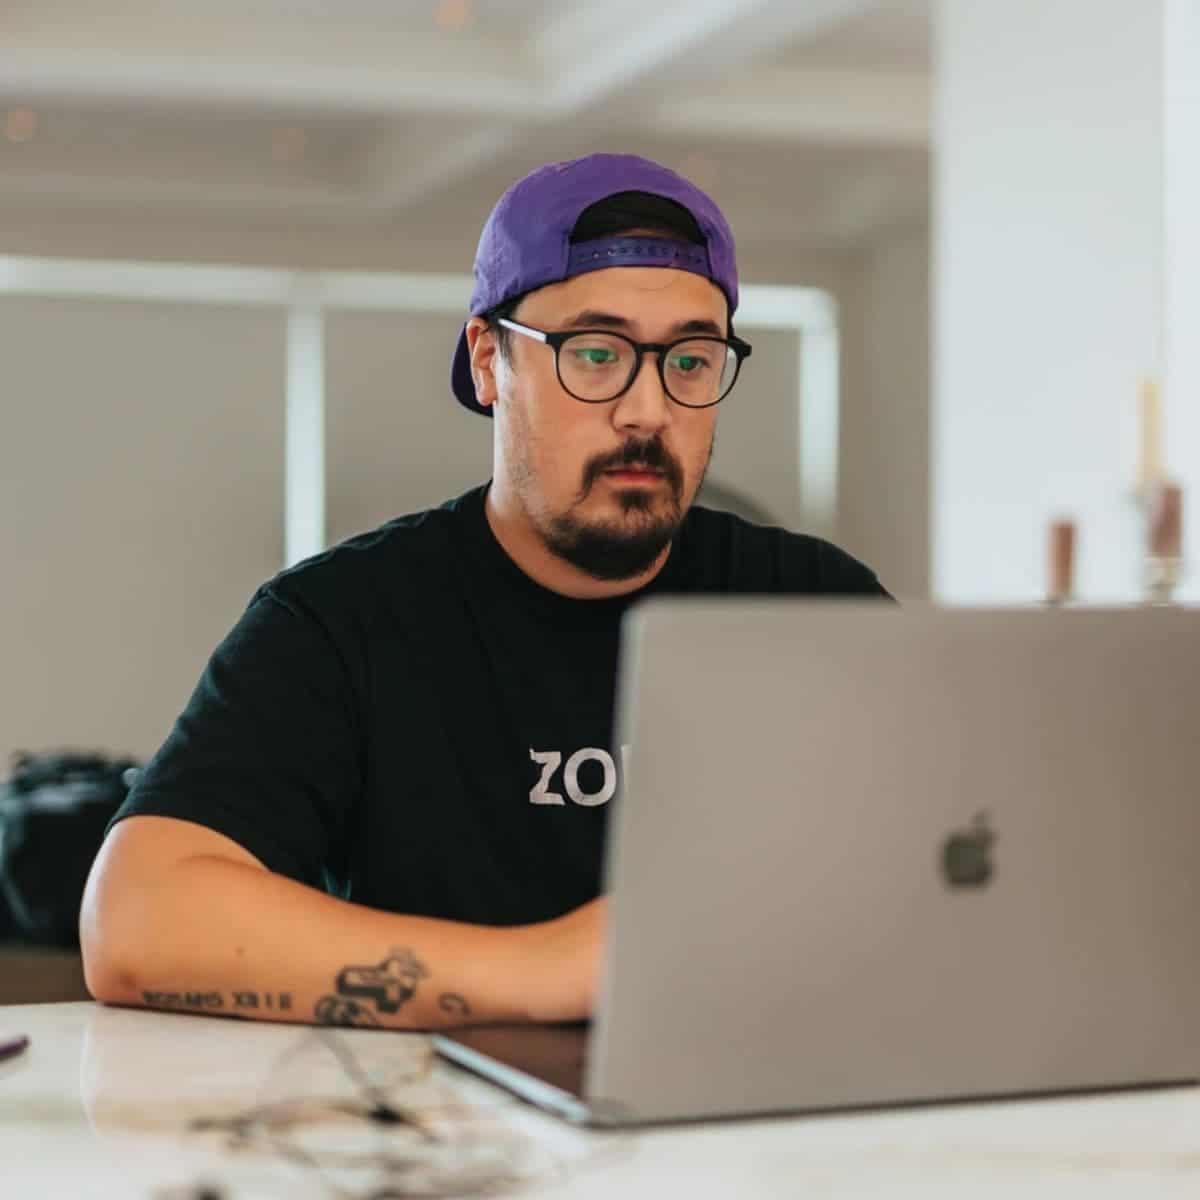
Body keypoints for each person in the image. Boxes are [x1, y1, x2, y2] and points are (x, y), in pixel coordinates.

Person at [81, 153, 890, 1031]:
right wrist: (552, 970)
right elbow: (134, 921)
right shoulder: (345, 621)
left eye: (690, 361)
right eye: (594, 353)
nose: (648, 410)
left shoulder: (819, 608)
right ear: (486, 360)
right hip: (449, 1145)